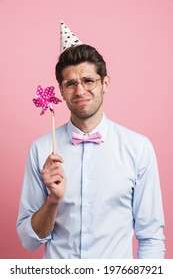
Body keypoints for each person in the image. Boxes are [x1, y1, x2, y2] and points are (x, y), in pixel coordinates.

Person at [17, 24, 165, 259]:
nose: (80, 90)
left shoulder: (138, 148)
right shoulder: (41, 150)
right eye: (70, 84)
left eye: (88, 80)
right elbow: (28, 241)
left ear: (105, 83)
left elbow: (151, 238)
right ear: (61, 91)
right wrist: (53, 201)